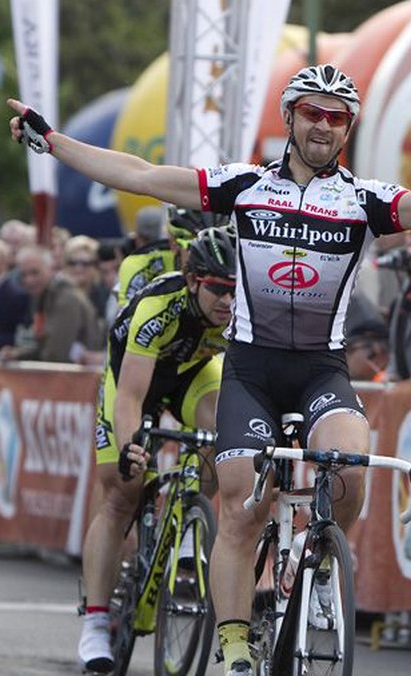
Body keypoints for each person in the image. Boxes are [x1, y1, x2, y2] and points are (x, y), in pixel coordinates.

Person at [7, 63, 411, 675]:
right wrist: (55, 143)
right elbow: (142, 174)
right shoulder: (244, 185)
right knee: (239, 505)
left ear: (348, 130)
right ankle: (233, 640)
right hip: (251, 371)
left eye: (337, 117)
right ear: (289, 117)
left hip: (321, 370)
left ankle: (314, 574)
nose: (324, 124)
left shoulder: (363, 201)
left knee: (350, 473)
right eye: (312, 111)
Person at [76, 227, 237, 673]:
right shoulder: (158, 307)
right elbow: (129, 398)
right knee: (120, 493)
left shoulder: (242, 314)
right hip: (133, 378)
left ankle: (186, 516)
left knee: (227, 437)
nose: (228, 302)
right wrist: (132, 445)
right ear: (193, 282)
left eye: (236, 291)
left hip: (192, 374)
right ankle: (95, 620)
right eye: (219, 290)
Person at [0, 246, 103, 364]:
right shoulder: (43, 296)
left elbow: (56, 355)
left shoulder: (65, 299)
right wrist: (17, 354)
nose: (29, 280)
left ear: (51, 269)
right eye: (23, 275)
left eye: (35, 273)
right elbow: (46, 347)